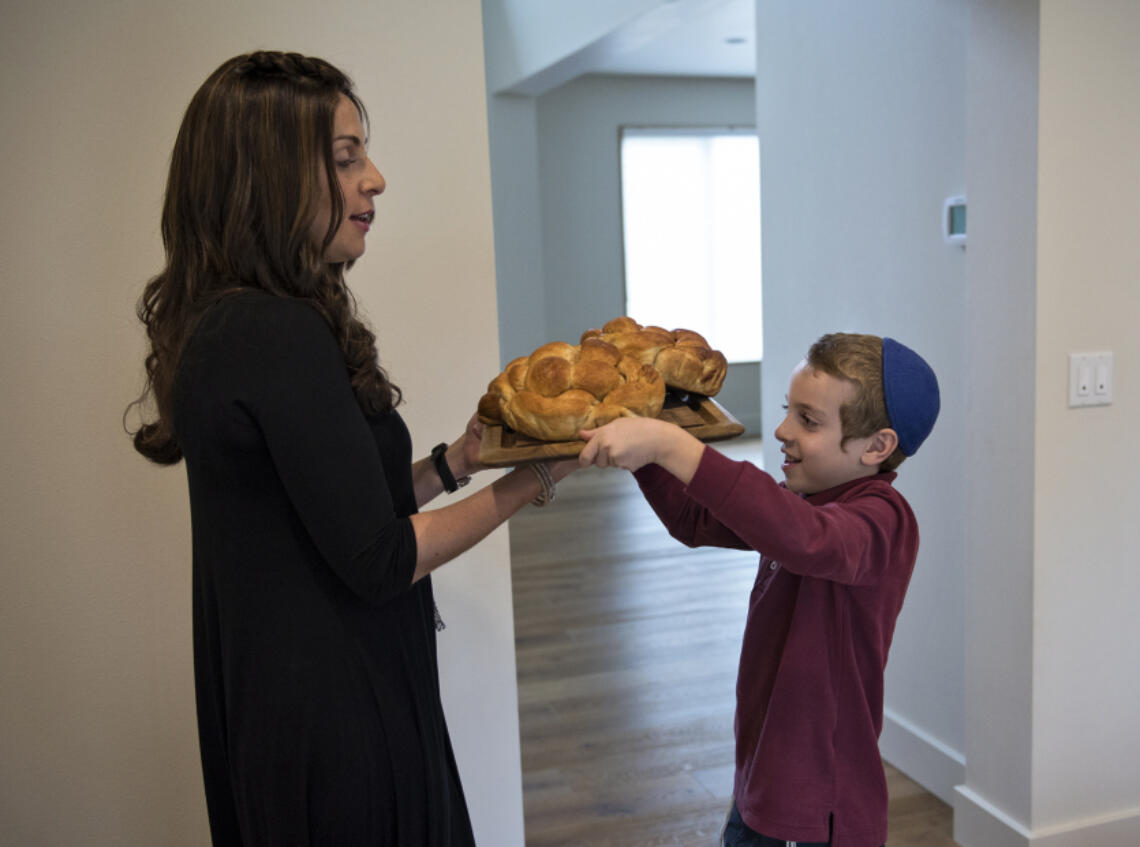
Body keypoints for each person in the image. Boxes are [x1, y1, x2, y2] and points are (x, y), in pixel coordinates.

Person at [128, 50, 575, 846]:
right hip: (334, 718)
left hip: (290, 698)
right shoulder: (274, 331)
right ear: (270, 177)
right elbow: (376, 555)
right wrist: (536, 474)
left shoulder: (232, 322)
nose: (376, 178)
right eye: (346, 157)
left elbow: (327, 507)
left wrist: (456, 463)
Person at [577, 333, 939, 847]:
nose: (782, 430)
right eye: (788, 410)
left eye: (809, 421)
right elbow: (693, 519)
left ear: (877, 447)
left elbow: (809, 542)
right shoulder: (804, 501)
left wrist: (675, 446)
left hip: (815, 810)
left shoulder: (882, 520)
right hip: (762, 784)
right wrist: (646, 454)